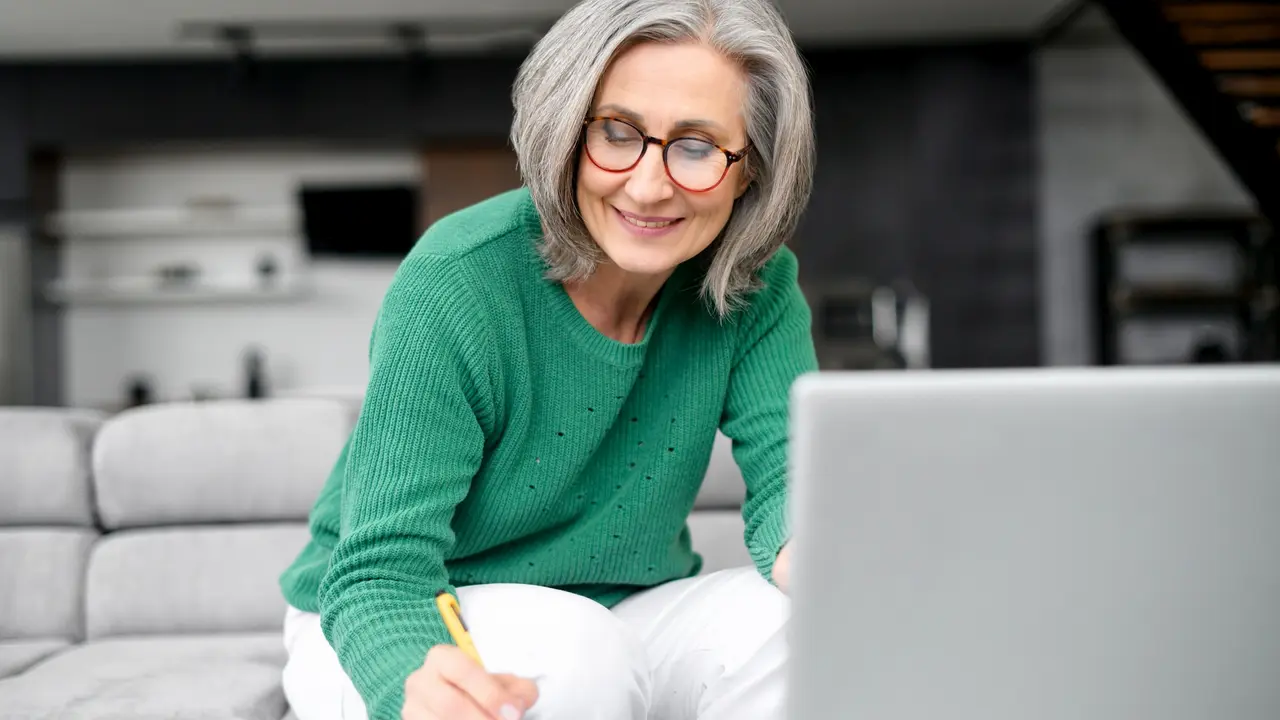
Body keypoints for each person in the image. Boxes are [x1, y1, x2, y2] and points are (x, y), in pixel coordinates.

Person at [277, 0, 817, 717]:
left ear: (748, 171)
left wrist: (818, 555)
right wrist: (410, 676)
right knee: (580, 650)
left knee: (801, 621)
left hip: (625, 611)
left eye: (696, 148)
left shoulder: (758, 283)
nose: (651, 186)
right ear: (565, 135)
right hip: (401, 617)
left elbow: (790, 478)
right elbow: (379, 571)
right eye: (617, 134)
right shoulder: (460, 276)